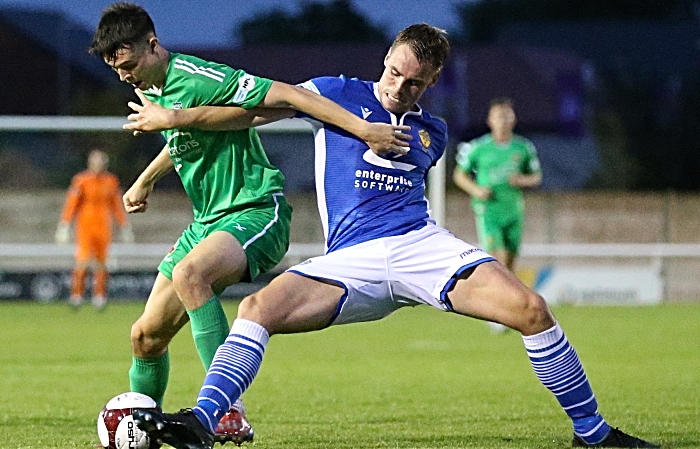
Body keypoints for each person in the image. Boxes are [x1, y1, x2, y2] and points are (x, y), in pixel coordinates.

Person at [127, 24, 658, 449]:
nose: (398, 87)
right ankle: (203, 422)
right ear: (386, 57)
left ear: (431, 83)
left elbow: (401, 162)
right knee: (255, 311)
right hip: (350, 260)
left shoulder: (434, 132)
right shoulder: (334, 94)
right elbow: (243, 115)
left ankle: (592, 434)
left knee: (532, 309)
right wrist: (175, 119)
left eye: (414, 83)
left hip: (419, 246)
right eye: (395, 72)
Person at [89, 2, 409, 445]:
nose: (125, 76)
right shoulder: (155, 88)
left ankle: (225, 411)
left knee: (190, 274)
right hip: (207, 221)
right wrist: (144, 180)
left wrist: (364, 130)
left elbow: (292, 95)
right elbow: (186, 136)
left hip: (256, 210)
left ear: (152, 44)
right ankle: (147, 430)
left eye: (129, 64)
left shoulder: (199, 77)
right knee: (145, 337)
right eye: (117, 69)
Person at [453, 97, 542, 333]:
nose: (503, 121)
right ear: (490, 120)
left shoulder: (523, 148)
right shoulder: (479, 148)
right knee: (498, 261)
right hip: (488, 212)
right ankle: (497, 314)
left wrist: (521, 180)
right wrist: (476, 190)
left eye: (507, 117)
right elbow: (459, 175)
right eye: (498, 116)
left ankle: (506, 309)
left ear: (513, 120)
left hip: (513, 211)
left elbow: (536, 177)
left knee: (510, 264)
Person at [56, 149, 133, 310]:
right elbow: (72, 204)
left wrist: (124, 225)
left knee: (101, 263)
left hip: (103, 225)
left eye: (101, 161)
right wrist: (65, 224)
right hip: (85, 225)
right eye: (95, 161)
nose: (98, 164)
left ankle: (99, 296)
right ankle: (76, 295)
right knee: (82, 261)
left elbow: (116, 205)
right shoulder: (81, 181)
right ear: (90, 163)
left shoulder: (111, 181)